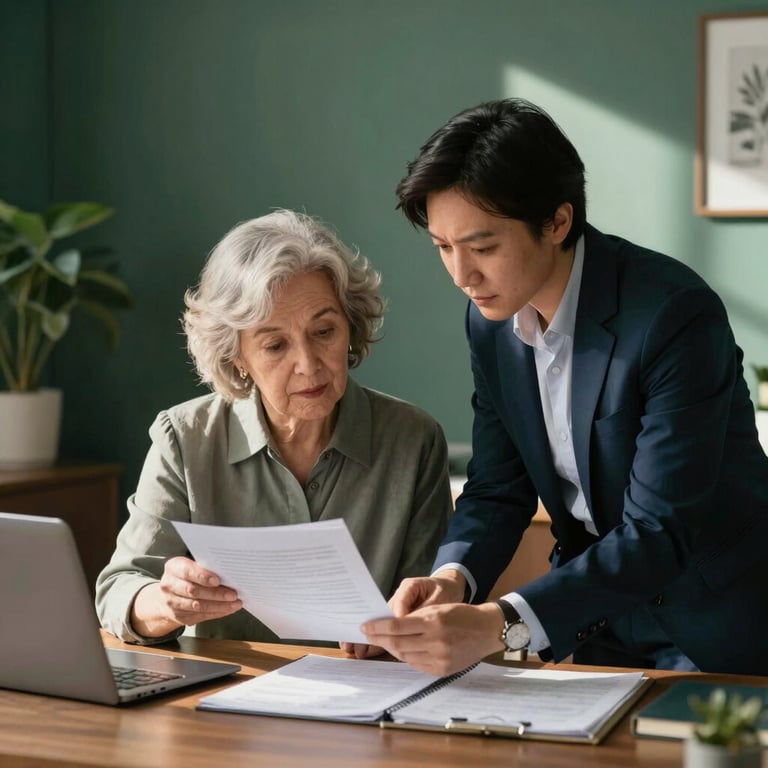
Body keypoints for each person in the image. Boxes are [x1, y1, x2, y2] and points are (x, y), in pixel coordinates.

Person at [361, 98, 768, 677]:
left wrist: (501, 622)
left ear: (557, 221)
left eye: (482, 247)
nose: (462, 276)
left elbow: (658, 529)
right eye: (443, 249)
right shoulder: (491, 322)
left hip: (712, 620)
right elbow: (498, 486)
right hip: (596, 617)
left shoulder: (673, 316)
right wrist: (453, 577)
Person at [96, 209, 453, 645]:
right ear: (237, 358)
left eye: (324, 331)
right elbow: (119, 590)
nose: (308, 365)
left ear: (351, 327)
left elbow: (432, 607)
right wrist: (166, 601)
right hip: (220, 699)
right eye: (275, 345)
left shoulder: (413, 440)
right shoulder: (185, 438)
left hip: (365, 697)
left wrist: (401, 630)